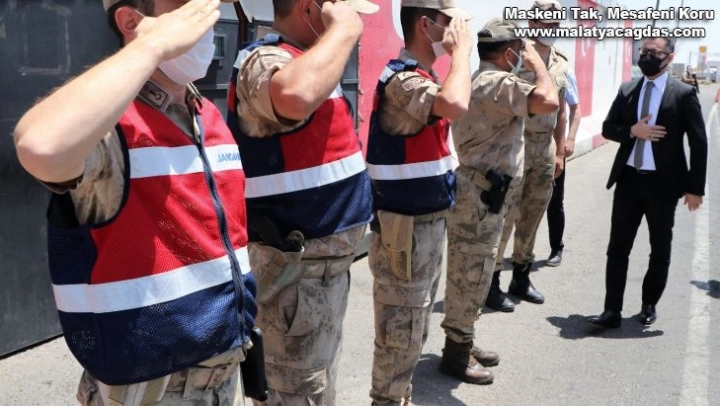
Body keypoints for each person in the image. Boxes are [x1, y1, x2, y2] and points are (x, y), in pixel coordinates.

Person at [13, 0, 257, 405]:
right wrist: (151, 46)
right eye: (187, 5)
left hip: (219, 369)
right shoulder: (110, 126)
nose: (206, 16)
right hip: (149, 386)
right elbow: (39, 146)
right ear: (131, 21)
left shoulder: (204, 114)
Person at [227, 0, 377, 404]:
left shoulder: (308, 62)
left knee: (315, 387)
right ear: (310, 10)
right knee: (295, 393)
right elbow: (293, 94)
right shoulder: (265, 59)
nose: (353, 21)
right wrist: (344, 29)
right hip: (295, 279)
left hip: (320, 278)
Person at [364, 1, 474, 403]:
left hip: (424, 224)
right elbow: (454, 104)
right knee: (401, 332)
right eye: (450, 22)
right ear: (426, 25)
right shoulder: (402, 79)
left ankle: (399, 395)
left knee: (414, 326)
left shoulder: (425, 76)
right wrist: (462, 54)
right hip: (404, 230)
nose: (457, 30)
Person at [440, 17, 558, 384]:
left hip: (478, 191)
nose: (524, 56)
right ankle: (455, 354)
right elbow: (549, 100)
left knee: (470, 273)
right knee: (470, 274)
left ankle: (462, 340)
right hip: (480, 195)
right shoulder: (499, 84)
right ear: (509, 54)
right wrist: (538, 64)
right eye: (520, 51)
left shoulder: (479, 80)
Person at [587, 36, 707, 328]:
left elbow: (699, 142)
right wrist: (633, 131)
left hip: (663, 186)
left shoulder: (683, 93)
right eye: (643, 51)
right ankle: (611, 310)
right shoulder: (628, 89)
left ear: (669, 57)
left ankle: (649, 303)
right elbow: (608, 128)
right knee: (618, 248)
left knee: (660, 248)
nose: (646, 56)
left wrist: (694, 188)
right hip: (628, 180)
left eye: (653, 51)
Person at [486, 0, 566, 313]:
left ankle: (521, 275)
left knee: (533, 215)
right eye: (547, 23)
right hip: (516, 145)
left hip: (545, 148)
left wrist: (560, 150)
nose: (553, 29)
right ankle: (492, 282)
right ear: (532, 23)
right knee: (505, 216)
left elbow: (561, 108)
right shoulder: (517, 55)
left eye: (557, 23)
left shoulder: (560, 61)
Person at [545, 69, 582, 267]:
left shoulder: (563, 71)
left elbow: (574, 108)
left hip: (553, 147)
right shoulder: (521, 65)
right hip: (526, 148)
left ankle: (556, 248)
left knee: (554, 201)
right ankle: (522, 254)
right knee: (523, 203)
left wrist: (570, 139)